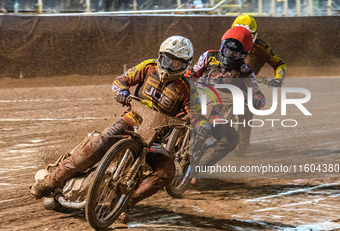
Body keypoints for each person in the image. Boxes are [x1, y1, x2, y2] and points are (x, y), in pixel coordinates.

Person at [30, 36, 211, 210]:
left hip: (155, 140)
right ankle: (50, 182)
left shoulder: (188, 89)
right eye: (165, 60)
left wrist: (202, 126)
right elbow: (121, 79)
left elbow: (195, 114)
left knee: (167, 173)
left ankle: (125, 203)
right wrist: (122, 91)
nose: (169, 66)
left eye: (175, 63)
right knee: (97, 145)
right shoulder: (148, 67)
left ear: (185, 64)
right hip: (129, 122)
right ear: (159, 56)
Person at [187, 26, 265, 166]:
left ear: (244, 55)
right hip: (196, 100)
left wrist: (257, 100)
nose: (230, 56)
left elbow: (258, 94)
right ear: (222, 46)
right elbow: (193, 73)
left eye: (235, 55)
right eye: (227, 51)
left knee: (230, 139)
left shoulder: (245, 72)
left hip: (219, 112)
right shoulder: (208, 56)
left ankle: (198, 169)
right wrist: (185, 78)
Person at [231, 14, 286, 156]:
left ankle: (242, 144)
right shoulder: (228, 41)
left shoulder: (262, 48)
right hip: (227, 80)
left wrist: (278, 78)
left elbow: (279, 64)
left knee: (246, 111)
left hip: (248, 84)